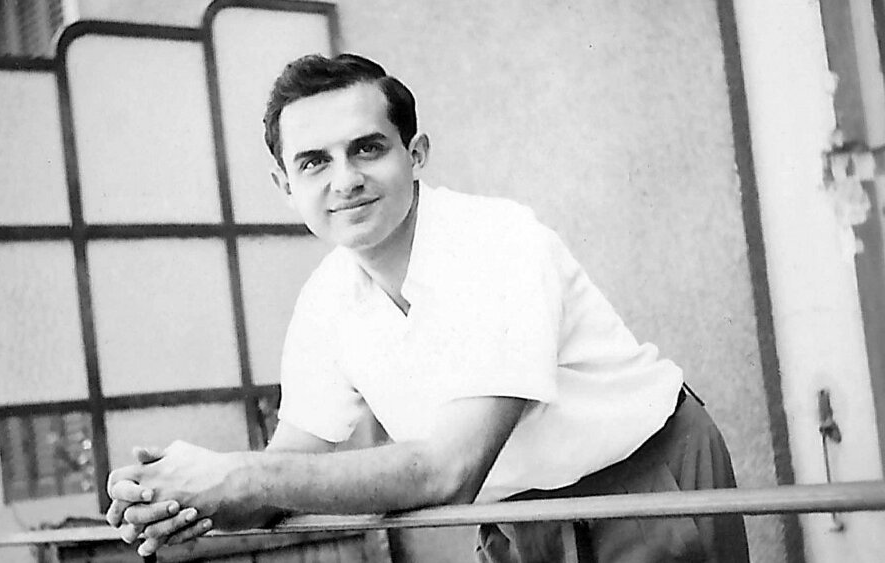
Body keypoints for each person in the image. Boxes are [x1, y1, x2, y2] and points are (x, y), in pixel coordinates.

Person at [105, 53, 750, 562]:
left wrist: (236, 479)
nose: (345, 180)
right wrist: (179, 504)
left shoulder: (498, 241)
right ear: (284, 187)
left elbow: (448, 471)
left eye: (367, 148)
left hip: (641, 480)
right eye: (313, 162)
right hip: (517, 512)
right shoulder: (327, 298)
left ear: (415, 156)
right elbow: (291, 468)